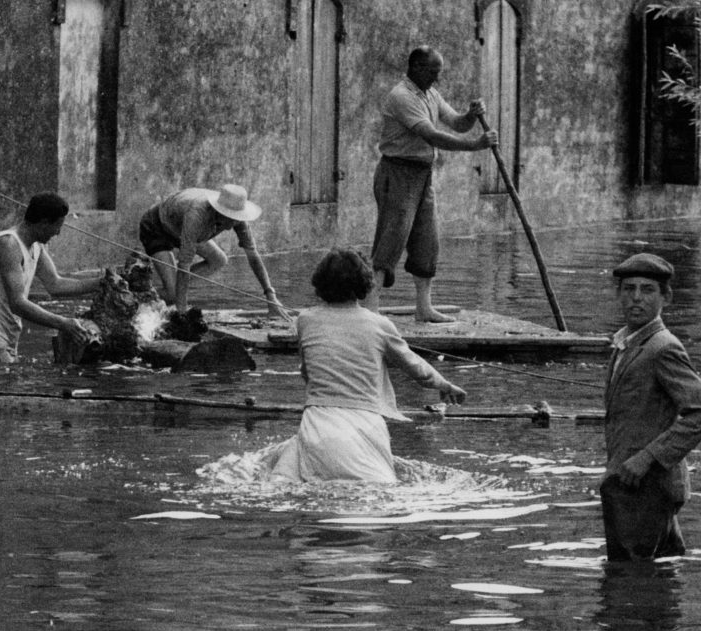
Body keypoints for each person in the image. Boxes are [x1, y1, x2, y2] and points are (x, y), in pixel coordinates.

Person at [259, 248, 466, 483]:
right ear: (364, 284)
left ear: (320, 283)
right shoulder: (380, 325)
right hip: (365, 427)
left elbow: (307, 372)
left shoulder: (305, 320)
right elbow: (417, 368)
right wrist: (445, 385)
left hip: (316, 425)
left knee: (287, 479)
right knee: (379, 493)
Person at [600, 253, 701, 561]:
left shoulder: (663, 347)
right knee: (660, 571)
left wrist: (646, 458)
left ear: (666, 297)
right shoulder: (625, 344)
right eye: (629, 289)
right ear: (619, 294)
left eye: (648, 290)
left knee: (629, 579)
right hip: (632, 485)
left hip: (646, 487)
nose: (636, 298)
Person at [372, 45, 499, 323]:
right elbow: (431, 135)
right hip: (397, 173)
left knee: (427, 241)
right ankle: (370, 308)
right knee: (391, 238)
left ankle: (424, 308)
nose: (437, 78)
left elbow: (457, 123)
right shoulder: (401, 96)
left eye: (438, 72)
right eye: (433, 72)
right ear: (416, 67)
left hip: (422, 175)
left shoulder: (430, 93)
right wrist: (475, 145)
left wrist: (471, 114)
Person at [0, 192, 100, 364]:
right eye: (58, 226)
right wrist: (64, 323)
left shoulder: (36, 246)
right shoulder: (8, 245)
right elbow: (17, 303)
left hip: (6, 339)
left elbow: (55, 284)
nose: (58, 233)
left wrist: (101, 282)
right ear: (44, 223)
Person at [138, 184, 290, 319]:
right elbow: (184, 265)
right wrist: (182, 313)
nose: (232, 224)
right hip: (156, 226)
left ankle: (171, 292)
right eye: (229, 217)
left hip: (180, 227)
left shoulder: (238, 216)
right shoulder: (197, 215)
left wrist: (270, 296)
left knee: (219, 260)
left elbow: (253, 255)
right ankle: (136, 299)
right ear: (219, 211)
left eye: (236, 218)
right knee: (173, 295)